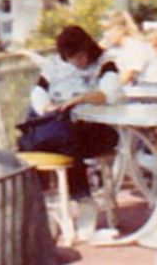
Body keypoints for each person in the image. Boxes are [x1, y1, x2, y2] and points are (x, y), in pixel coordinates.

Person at [20, 26, 122, 209]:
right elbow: (39, 92)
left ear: (89, 50)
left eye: (81, 56)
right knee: (64, 139)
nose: (77, 62)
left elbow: (111, 93)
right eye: (72, 58)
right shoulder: (54, 66)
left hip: (96, 129)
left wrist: (82, 98)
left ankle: (54, 199)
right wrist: (48, 107)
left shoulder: (105, 63)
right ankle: (81, 199)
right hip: (65, 128)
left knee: (62, 139)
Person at [100, 10, 157, 87]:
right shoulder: (112, 50)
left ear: (120, 30)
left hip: (154, 91)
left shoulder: (135, 47)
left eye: (107, 30)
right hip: (135, 92)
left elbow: (124, 78)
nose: (105, 34)